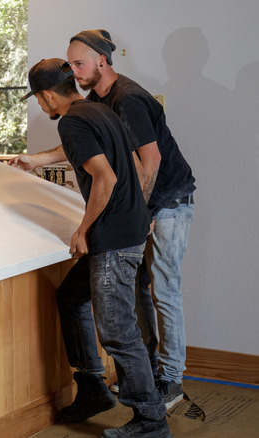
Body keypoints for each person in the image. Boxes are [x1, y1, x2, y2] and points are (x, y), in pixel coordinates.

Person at [10, 59, 170, 438]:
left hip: (112, 236)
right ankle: (93, 388)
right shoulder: (96, 109)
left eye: (39, 100)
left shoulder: (72, 121)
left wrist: (83, 229)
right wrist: (36, 160)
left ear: (48, 95)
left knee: (117, 330)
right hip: (128, 228)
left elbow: (105, 177)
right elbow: (92, 153)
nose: (42, 106)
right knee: (71, 297)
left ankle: (151, 421)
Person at [67, 29, 196, 409]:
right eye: (71, 64)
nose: (74, 71)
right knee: (139, 289)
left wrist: (140, 214)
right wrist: (37, 159)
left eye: (80, 63)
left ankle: (171, 380)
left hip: (169, 202)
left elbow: (151, 161)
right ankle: (149, 374)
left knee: (165, 290)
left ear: (102, 62)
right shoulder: (97, 98)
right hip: (147, 206)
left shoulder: (129, 99)